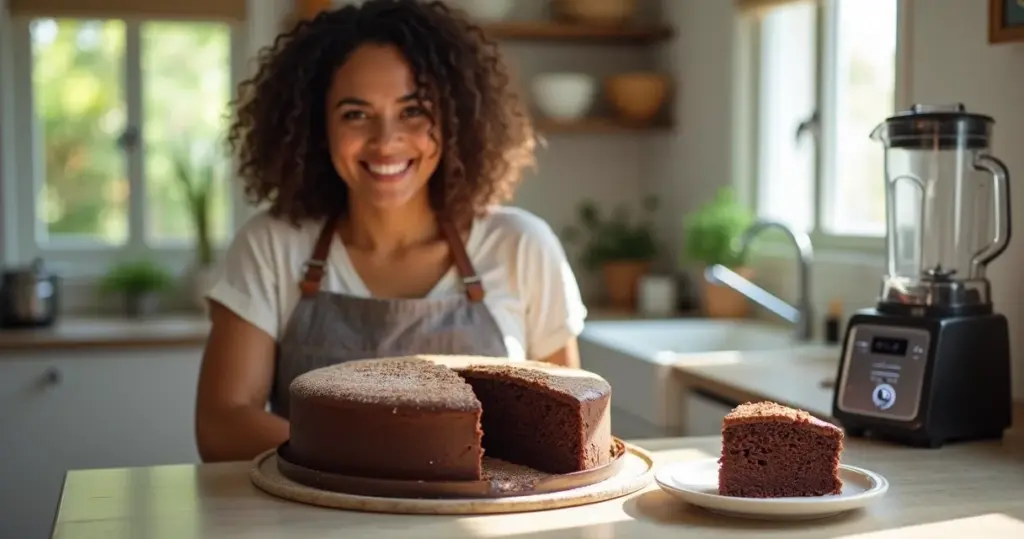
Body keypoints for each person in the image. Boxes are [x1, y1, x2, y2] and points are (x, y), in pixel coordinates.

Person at [194, 0, 588, 463]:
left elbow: (569, 426)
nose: (385, 140)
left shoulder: (522, 246)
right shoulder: (273, 245)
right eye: (355, 114)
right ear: (317, 127)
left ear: (455, 119)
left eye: (413, 110)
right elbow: (222, 425)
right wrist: (390, 458)